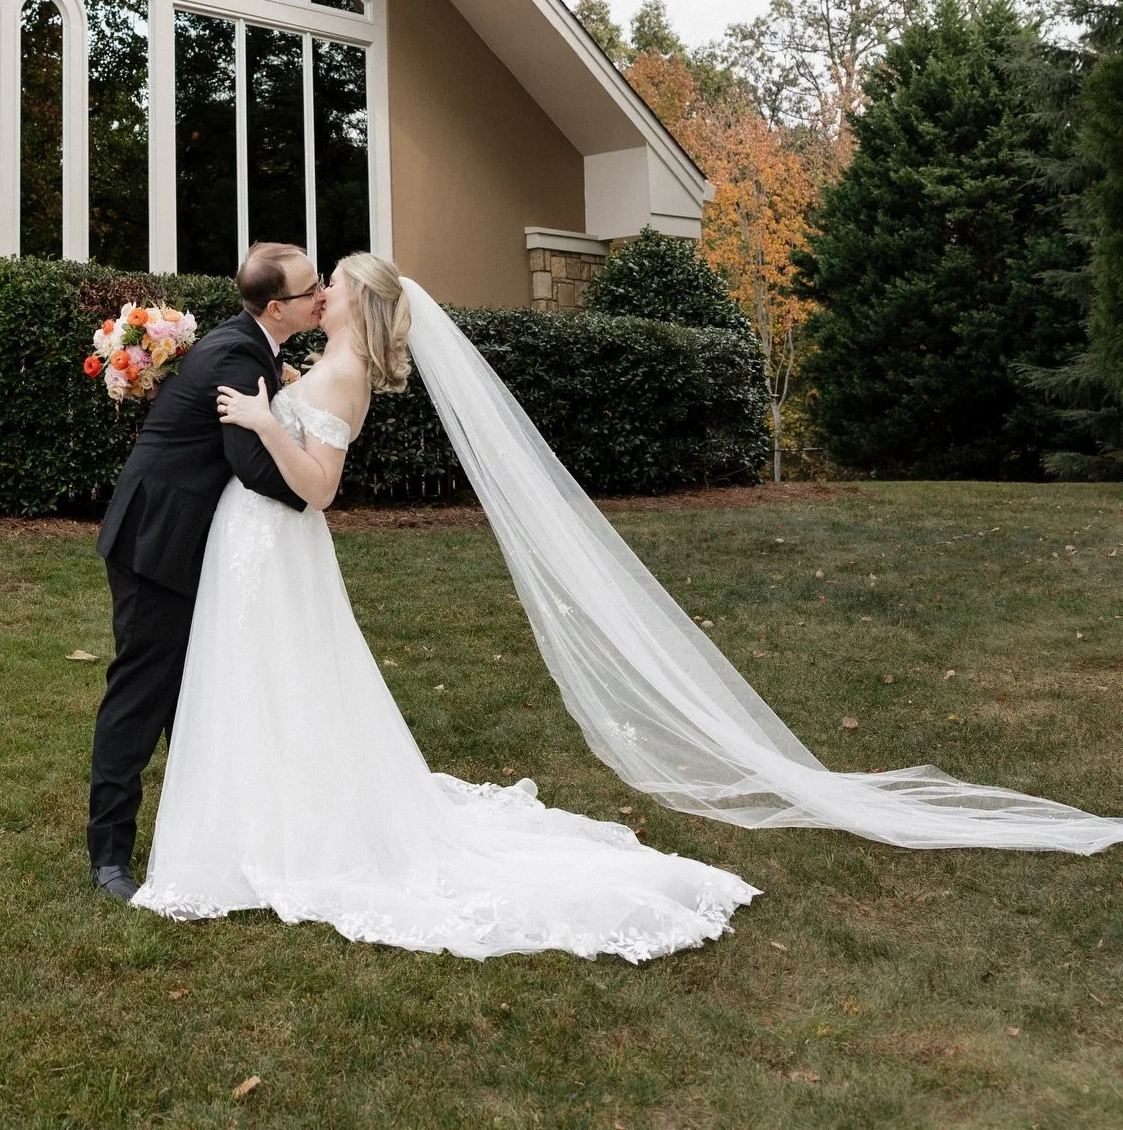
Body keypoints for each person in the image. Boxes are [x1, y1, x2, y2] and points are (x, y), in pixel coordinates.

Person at [129, 253, 759, 962]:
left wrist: (264, 420)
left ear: (354, 305)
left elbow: (319, 489)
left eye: (332, 284)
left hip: (276, 541)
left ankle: (273, 828)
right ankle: (257, 814)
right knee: (271, 676)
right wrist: (282, 395)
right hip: (257, 542)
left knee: (277, 671)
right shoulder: (328, 367)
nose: (323, 292)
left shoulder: (341, 375)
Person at [86, 242, 324, 899]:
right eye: (312, 289)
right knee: (140, 697)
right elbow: (249, 464)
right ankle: (108, 855)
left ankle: (203, 836)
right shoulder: (235, 355)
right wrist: (315, 491)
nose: (322, 294)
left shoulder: (254, 347)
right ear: (277, 307)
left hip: (189, 543)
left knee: (196, 695)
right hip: (156, 545)